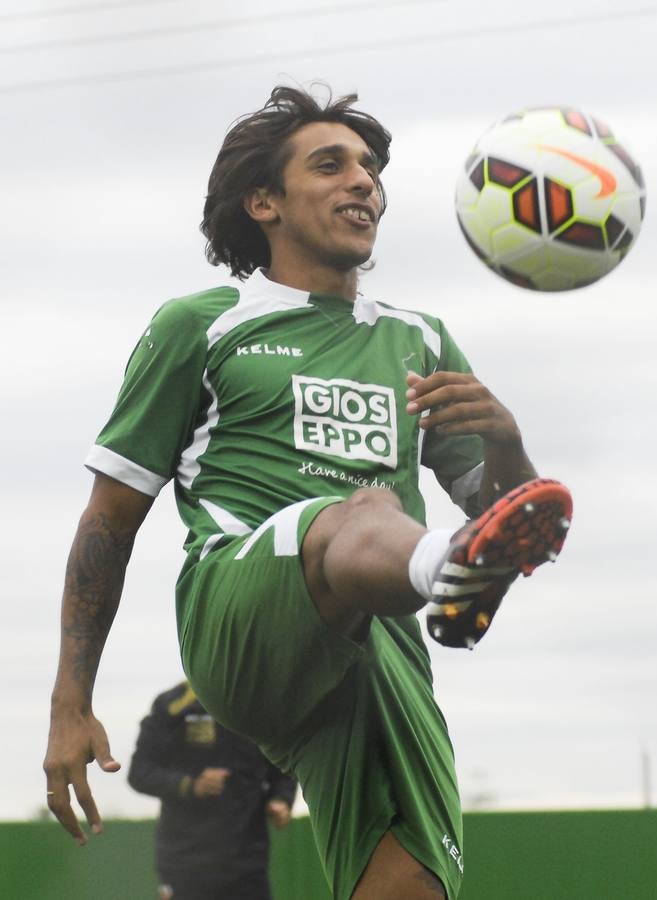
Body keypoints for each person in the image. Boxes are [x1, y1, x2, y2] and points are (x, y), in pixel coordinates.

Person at [44, 85, 572, 900]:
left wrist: (507, 442)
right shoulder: (202, 324)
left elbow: (511, 519)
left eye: (369, 168)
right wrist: (69, 703)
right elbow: (108, 522)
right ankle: (445, 572)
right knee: (363, 508)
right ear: (264, 202)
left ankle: (445, 573)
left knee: (410, 888)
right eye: (331, 165)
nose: (363, 182)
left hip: (380, 648)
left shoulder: (420, 340)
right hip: (243, 614)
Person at [128, 680, 296, 900]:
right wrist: (190, 785)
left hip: (246, 863)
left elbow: (283, 768)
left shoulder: (260, 707)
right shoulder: (172, 705)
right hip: (186, 862)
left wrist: (281, 800)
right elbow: (140, 772)